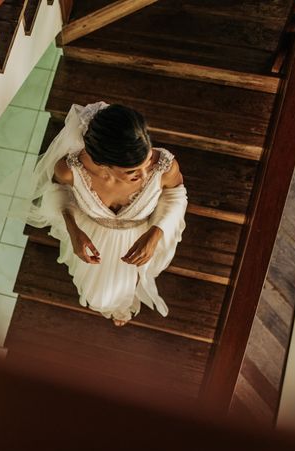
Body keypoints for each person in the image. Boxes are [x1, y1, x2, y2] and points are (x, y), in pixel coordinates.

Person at [25, 101, 187, 326]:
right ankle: (112, 306)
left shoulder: (164, 166)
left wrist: (156, 233)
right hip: (93, 235)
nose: (143, 175)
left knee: (132, 278)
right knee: (98, 292)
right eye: (131, 171)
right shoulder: (70, 169)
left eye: (146, 161)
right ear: (103, 164)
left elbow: (175, 195)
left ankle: (124, 302)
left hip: (140, 234)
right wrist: (73, 230)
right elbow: (58, 190)